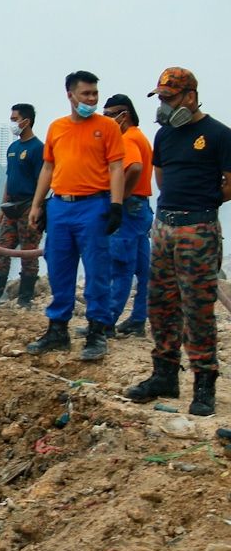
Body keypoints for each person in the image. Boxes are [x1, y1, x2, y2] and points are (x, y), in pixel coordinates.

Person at [125, 67, 231, 416]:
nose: (165, 105)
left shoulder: (218, 134)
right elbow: (161, 176)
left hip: (197, 229)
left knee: (197, 308)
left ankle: (204, 385)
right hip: (164, 227)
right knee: (161, 304)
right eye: (161, 98)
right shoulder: (165, 135)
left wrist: (204, 203)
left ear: (190, 97)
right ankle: (164, 375)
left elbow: (230, 182)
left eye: (170, 98)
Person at [26, 70, 126, 361]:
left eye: (95, 93)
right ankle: (57, 330)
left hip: (94, 205)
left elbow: (116, 167)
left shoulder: (107, 127)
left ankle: (97, 331)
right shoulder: (57, 128)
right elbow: (48, 167)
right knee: (59, 267)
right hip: (60, 206)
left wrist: (116, 205)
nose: (92, 99)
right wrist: (37, 205)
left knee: (97, 270)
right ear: (70, 95)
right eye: (86, 94)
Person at [0, 103, 44, 309]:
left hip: (29, 206)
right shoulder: (12, 148)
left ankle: (25, 299)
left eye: (15, 120)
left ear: (27, 121)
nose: (12, 124)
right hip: (11, 207)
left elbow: (43, 181)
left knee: (28, 253)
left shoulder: (38, 148)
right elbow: (10, 178)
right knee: (1, 250)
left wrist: (37, 207)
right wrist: (2, 205)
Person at [103, 94, 154, 337]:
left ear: (123, 116)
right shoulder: (139, 136)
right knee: (144, 270)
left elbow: (134, 167)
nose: (105, 121)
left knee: (121, 266)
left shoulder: (127, 139)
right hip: (141, 208)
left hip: (129, 209)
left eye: (108, 116)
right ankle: (138, 319)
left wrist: (120, 197)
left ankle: (106, 322)